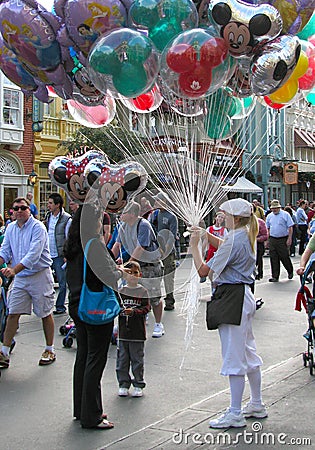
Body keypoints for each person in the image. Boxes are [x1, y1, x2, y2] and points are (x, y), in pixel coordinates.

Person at [190, 198, 266, 429]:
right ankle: (256, 403)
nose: (221, 217)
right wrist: (205, 234)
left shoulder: (235, 239)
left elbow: (204, 270)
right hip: (243, 296)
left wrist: (194, 246)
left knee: (234, 356)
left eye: (225, 214)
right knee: (248, 353)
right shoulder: (244, 233)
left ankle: (235, 412)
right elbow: (226, 244)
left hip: (232, 298)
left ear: (236, 217)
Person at [63, 204, 129, 429]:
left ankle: (81, 408)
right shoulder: (94, 245)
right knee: (95, 359)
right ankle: (92, 414)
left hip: (76, 303)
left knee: (82, 356)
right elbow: (106, 276)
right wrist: (121, 271)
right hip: (95, 306)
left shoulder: (73, 244)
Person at [0, 197, 56, 368]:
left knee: (45, 312)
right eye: (15, 209)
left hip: (39, 275)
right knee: (13, 313)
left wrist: (14, 270)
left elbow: (34, 254)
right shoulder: (10, 228)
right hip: (21, 279)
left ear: (29, 210)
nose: (18, 211)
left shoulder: (38, 227)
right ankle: (4, 352)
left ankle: (49, 349)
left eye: (22, 208)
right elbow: (5, 250)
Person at [111, 201, 164, 338]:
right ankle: (134, 320)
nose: (121, 214)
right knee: (130, 294)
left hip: (150, 266)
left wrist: (127, 266)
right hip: (136, 265)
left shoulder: (143, 225)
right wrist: (109, 261)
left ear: (132, 214)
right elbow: (117, 245)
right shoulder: (123, 226)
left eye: (124, 212)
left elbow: (140, 248)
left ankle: (158, 324)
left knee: (154, 297)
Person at [116, 261, 150, 398]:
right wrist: (121, 311)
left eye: (135, 272)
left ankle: (138, 384)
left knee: (137, 360)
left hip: (138, 333)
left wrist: (134, 312)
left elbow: (147, 308)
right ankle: (123, 384)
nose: (132, 276)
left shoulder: (143, 291)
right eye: (129, 273)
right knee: (122, 360)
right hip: (123, 333)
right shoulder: (121, 292)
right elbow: (116, 307)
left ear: (140, 275)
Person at [150, 193, 178, 311]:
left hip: (168, 251)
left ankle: (169, 301)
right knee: (156, 275)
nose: (155, 203)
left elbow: (172, 236)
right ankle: (155, 300)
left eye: (157, 201)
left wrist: (165, 250)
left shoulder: (171, 217)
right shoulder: (156, 215)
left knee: (168, 277)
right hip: (157, 249)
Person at [45, 193, 72, 314]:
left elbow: (68, 237)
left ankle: (60, 306)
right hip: (47, 254)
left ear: (58, 204)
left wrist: (66, 254)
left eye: (51, 203)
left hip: (59, 255)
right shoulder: (48, 217)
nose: (48, 205)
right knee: (44, 281)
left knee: (62, 282)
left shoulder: (66, 219)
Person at [265, 199, 294, 282]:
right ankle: (275, 276)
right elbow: (268, 228)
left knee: (284, 256)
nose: (274, 210)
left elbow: (290, 227)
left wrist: (289, 238)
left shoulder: (285, 215)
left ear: (279, 208)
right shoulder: (270, 216)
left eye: (275, 208)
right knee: (273, 257)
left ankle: (290, 270)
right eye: (272, 209)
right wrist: (267, 240)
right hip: (273, 238)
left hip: (282, 238)